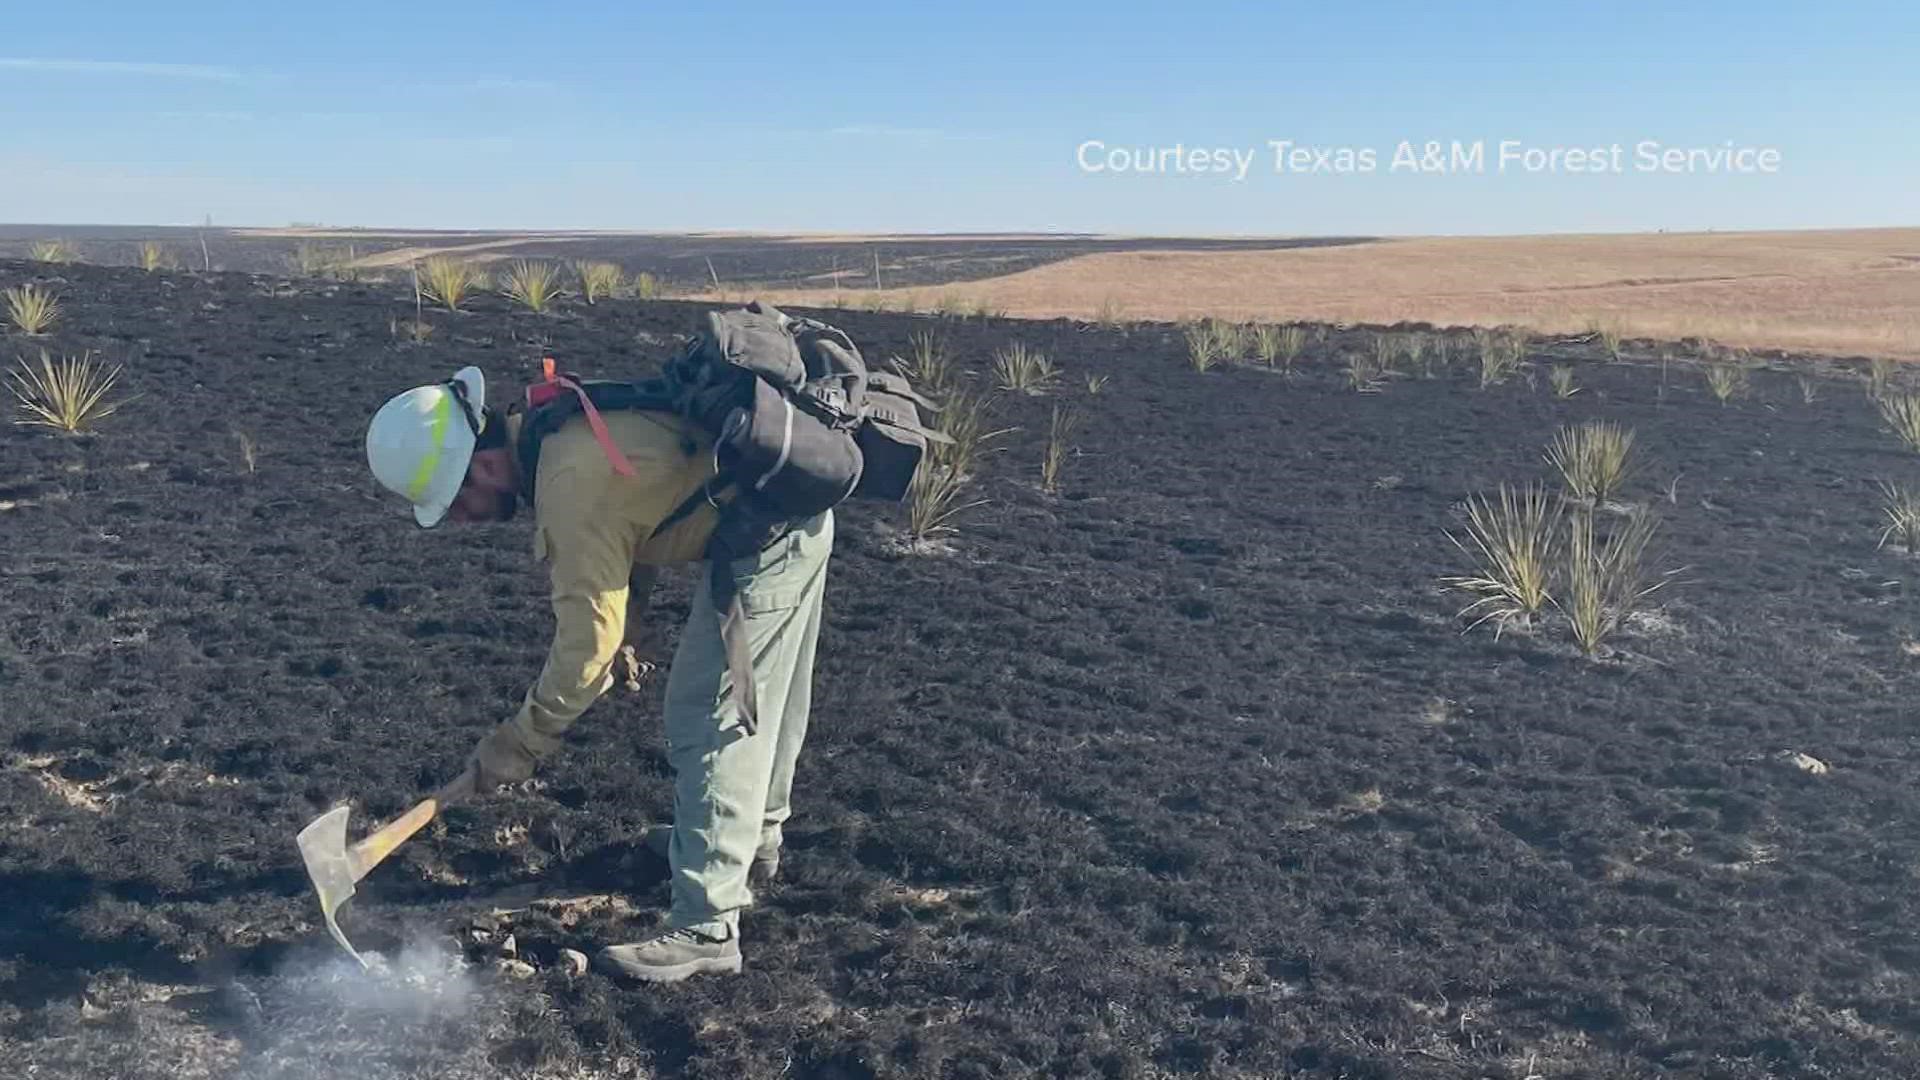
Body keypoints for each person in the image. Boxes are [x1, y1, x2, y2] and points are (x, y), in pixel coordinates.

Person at [363, 364, 833, 983]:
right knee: (764, 701)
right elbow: (638, 518)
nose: (462, 521)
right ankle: (746, 845)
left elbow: (586, 651)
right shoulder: (552, 431)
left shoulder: (566, 481)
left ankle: (708, 923)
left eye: (456, 504)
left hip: (768, 539)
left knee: (709, 715)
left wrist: (520, 742)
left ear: (483, 466)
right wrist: (628, 626)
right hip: (788, 517)